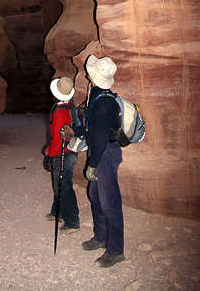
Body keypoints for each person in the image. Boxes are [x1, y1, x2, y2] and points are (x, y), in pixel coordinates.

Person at [81, 54, 125, 268]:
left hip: (105, 154)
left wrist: (93, 163)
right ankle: (100, 237)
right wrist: (76, 131)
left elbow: (100, 136)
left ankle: (116, 251)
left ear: (93, 76)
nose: (88, 76)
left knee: (110, 203)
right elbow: (92, 128)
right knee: (95, 196)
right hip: (100, 151)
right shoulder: (98, 96)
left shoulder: (104, 101)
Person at [44, 76, 80, 235]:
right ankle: (57, 211)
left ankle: (72, 221)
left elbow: (57, 138)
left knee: (63, 186)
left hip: (63, 152)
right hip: (71, 150)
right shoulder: (70, 107)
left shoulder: (59, 112)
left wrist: (50, 155)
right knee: (60, 183)